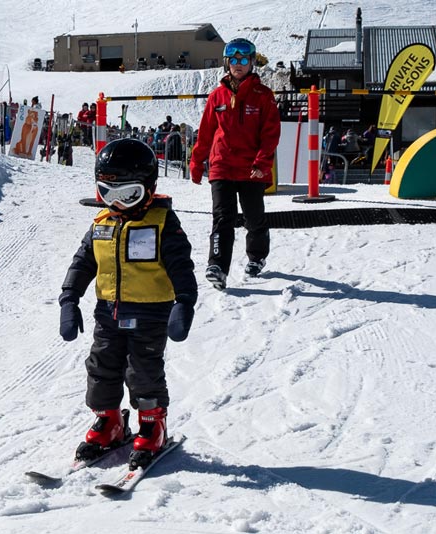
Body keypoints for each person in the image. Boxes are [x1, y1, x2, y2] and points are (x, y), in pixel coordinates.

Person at [59, 138, 198, 469]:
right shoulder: (101, 225)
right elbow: (82, 263)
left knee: (144, 372)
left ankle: (153, 425)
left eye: (128, 195)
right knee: (101, 367)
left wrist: (184, 302)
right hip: (108, 312)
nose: (117, 204)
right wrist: (69, 298)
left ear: (148, 188)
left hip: (150, 313)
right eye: (108, 194)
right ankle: (109, 420)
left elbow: (182, 266)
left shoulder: (163, 224)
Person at [189, 37, 281, 290]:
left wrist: (262, 161)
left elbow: (270, 133)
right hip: (222, 166)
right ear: (227, 63)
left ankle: (257, 256)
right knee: (222, 218)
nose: (238, 65)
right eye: (234, 60)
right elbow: (206, 132)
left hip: (252, 168)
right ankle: (217, 266)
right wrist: (197, 162)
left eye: (244, 60)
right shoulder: (217, 96)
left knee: (254, 218)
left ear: (252, 63)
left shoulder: (263, 95)